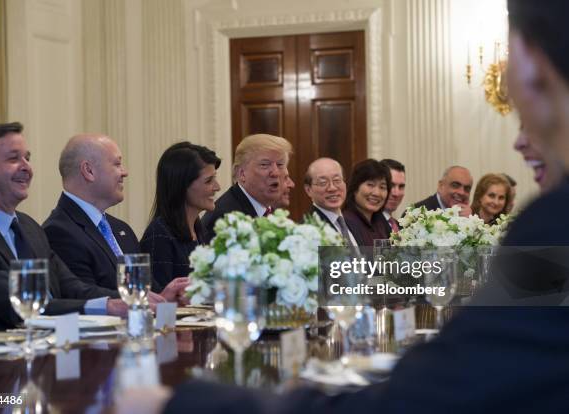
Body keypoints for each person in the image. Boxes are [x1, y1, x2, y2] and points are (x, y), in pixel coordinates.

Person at [119, 1, 569, 412]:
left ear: (531, 68)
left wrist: (184, 404)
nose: (518, 140)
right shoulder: (316, 222)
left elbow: (435, 392)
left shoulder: (551, 226)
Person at [0, 123, 158, 331]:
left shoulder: (29, 227)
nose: (26, 167)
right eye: (13, 158)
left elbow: (71, 287)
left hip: (49, 353)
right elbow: (18, 304)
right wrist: (104, 307)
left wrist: (139, 298)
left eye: (27, 158)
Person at [43, 134, 188, 298]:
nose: (124, 172)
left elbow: (149, 291)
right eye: (117, 164)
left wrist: (167, 296)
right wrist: (141, 300)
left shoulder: (121, 229)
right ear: (88, 171)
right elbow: (83, 298)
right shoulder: (59, 232)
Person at [140, 142, 221, 290]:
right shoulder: (159, 234)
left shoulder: (199, 230)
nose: (217, 187)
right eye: (209, 181)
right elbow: (161, 300)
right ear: (181, 185)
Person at [201, 134, 292, 241]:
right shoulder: (225, 220)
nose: (275, 173)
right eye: (265, 165)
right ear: (242, 174)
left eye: (280, 164)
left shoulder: (270, 210)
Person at [303, 157, 362, 246]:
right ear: (308, 190)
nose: (332, 188)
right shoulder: (307, 229)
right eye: (323, 183)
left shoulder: (353, 222)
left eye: (337, 180)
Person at [342, 159, 391, 246]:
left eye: (382, 187)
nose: (376, 193)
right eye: (370, 185)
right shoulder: (345, 223)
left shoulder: (381, 223)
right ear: (355, 187)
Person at [380, 159, 406, 232]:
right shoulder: (370, 225)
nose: (396, 193)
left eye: (401, 186)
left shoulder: (400, 226)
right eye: (391, 185)